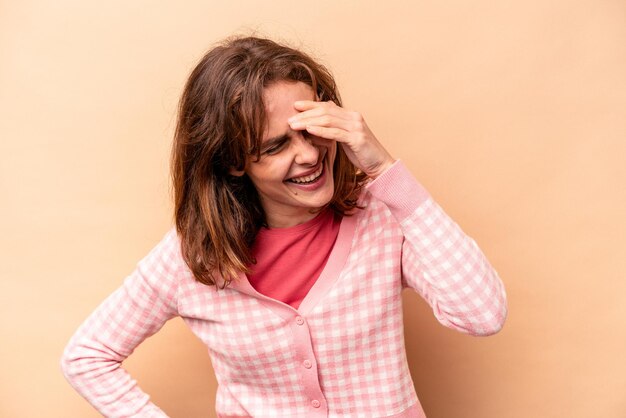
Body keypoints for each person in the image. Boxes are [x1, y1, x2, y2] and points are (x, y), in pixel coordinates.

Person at [61, 36, 507, 418]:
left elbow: (482, 314)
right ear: (234, 161)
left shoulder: (381, 215)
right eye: (276, 146)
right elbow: (87, 357)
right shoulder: (191, 256)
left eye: (314, 129)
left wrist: (387, 171)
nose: (310, 155)